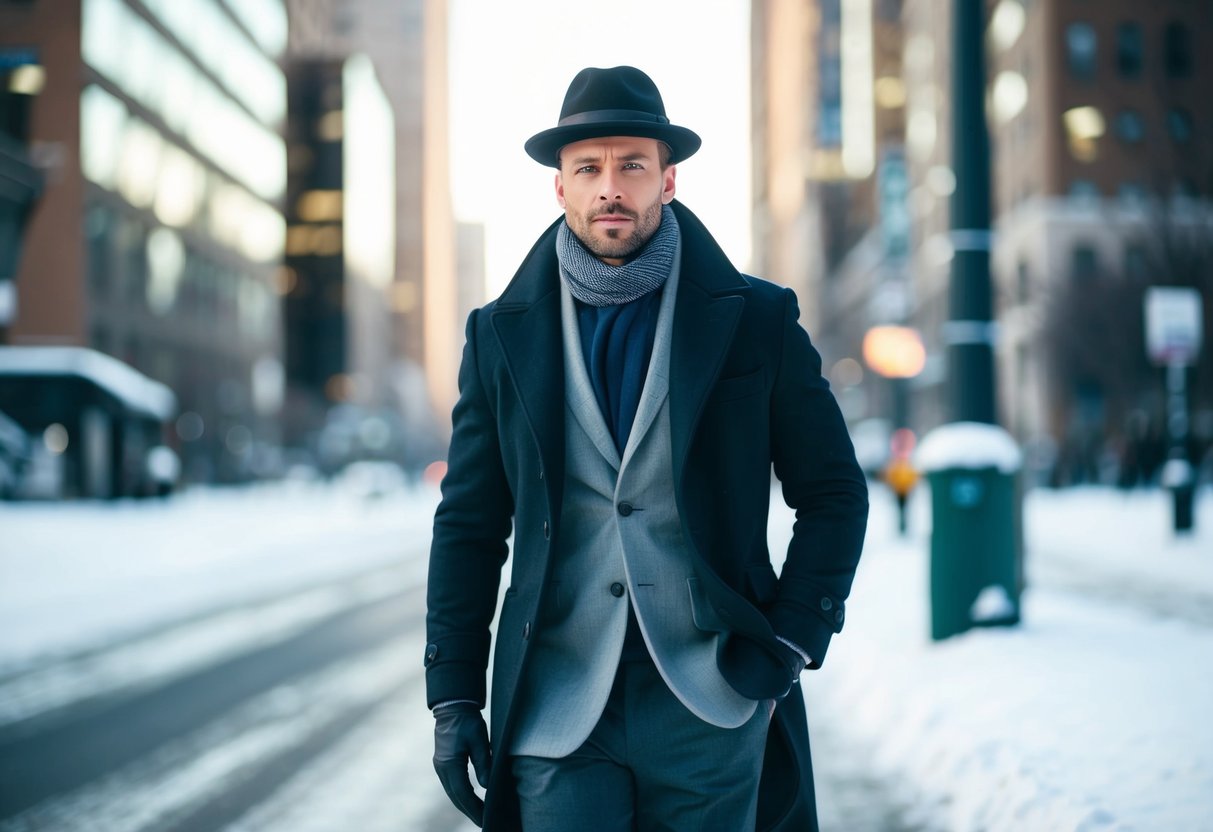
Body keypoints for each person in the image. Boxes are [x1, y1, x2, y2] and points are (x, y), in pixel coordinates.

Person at [426, 65, 868, 832]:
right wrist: (454, 694)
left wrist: (790, 642)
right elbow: (468, 525)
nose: (610, 187)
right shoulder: (499, 334)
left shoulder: (754, 319)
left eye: (631, 164)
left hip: (711, 702)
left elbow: (832, 493)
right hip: (557, 710)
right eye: (587, 168)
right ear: (557, 188)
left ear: (668, 180)